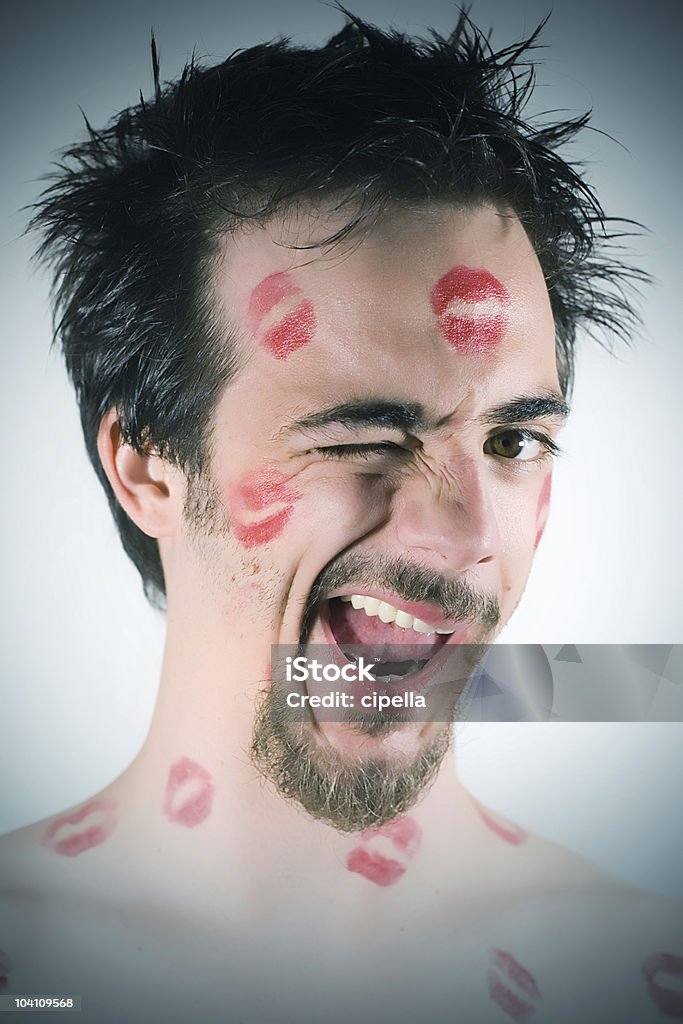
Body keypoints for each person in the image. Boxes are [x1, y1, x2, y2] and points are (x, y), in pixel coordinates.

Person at [0, 12, 680, 1023]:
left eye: (510, 441)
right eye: (362, 437)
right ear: (144, 466)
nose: (464, 536)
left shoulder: (635, 979)